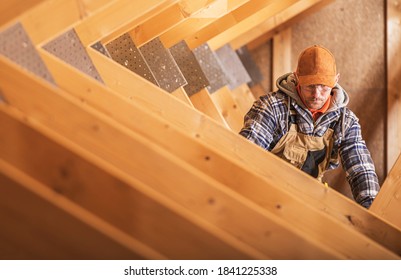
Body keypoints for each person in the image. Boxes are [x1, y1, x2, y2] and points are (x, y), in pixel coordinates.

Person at [240, 45, 379, 208]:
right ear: (297, 76)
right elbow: (246, 153)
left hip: (310, 203)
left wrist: (371, 209)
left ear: (336, 80)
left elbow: (360, 168)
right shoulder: (272, 108)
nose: (316, 95)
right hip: (267, 198)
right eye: (310, 86)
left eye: (323, 87)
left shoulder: (345, 122)